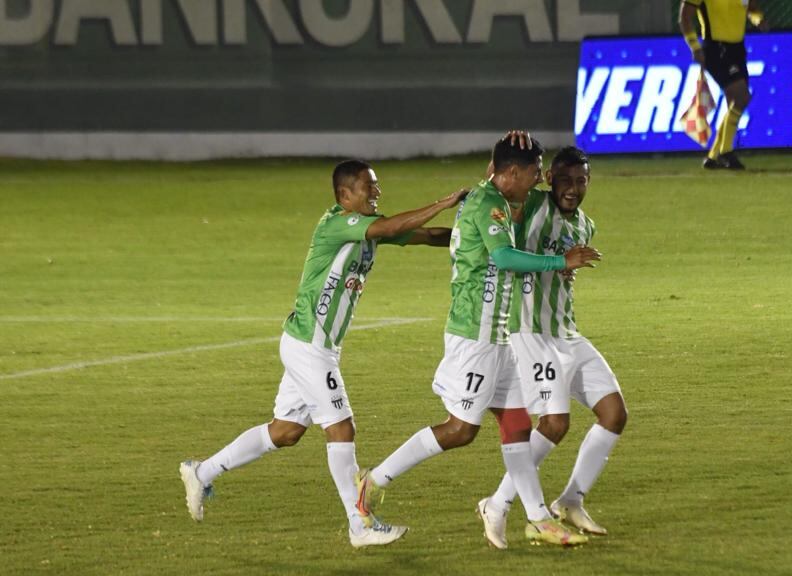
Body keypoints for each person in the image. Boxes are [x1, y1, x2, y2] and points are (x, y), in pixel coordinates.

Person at [179, 160, 467, 548]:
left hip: (312, 344)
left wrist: (471, 238)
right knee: (341, 428)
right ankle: (359, 524)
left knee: (285, 431)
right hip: (310, 346)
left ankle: (201, 473)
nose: (377, 192)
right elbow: (391, 227)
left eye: (376, 185)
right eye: (369, 186)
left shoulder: (369, 228)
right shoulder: (338, 224)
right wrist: (445, 202)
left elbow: (428, 235)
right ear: (345, 195)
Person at [354, 134, 601, 547]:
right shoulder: (489, 204)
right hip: (476, 334)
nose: (539, 179)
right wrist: (561, 260)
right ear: (512, 172)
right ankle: (374, 480)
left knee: (517, 425)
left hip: (499, 333)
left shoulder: (496, 197)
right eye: (535, 172)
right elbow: (503, 257)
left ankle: (538, 518)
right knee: (460, 429)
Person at [476, 146, 627, 549]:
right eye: (564, 180)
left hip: (566, 332)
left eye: (581, 181)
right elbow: (498, 191)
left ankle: (570, 500)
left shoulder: (586, 226)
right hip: (528, 332)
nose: (572, 188)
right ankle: (497, 504)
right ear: (548, 180)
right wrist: (499, 158)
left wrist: (566, 267)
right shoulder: (531, 206)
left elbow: (564, 271)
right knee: (554, 424)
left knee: (613, 413)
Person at [678, 0, 767, 170]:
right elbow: (684, 18)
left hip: (737, 49)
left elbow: (752, 9)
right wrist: (695, 46)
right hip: (716, 48)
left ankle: (713, 156)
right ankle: (726, 151)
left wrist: (758, 19)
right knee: (742, 97)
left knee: (735, 102)